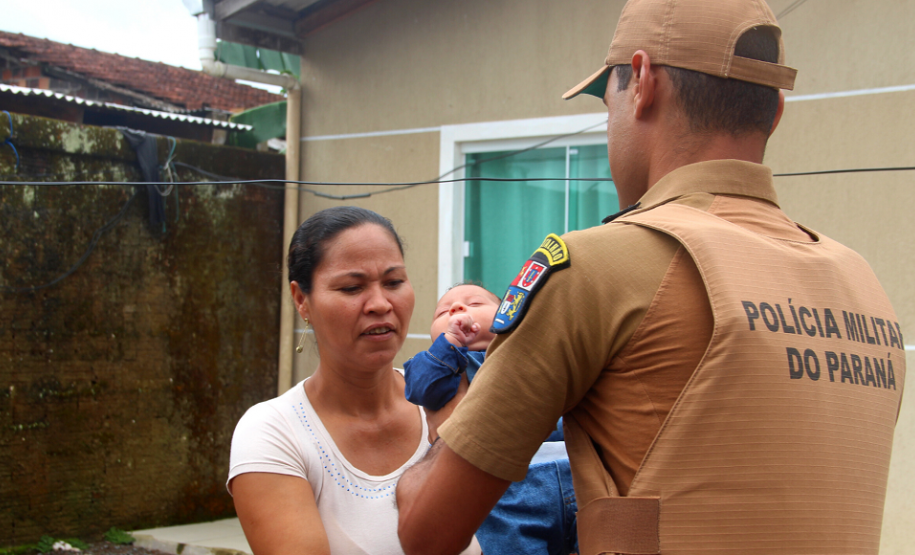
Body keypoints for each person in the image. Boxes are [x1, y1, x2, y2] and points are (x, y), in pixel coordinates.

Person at [396, 1, 906, 554]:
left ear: (641, 81)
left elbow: (428, 531)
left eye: (607, 99)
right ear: (776, 110)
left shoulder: (595, 266)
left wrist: (425, 450)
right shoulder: (863, 285)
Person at [227, 206, 481, 555]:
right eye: (351, 287)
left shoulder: (451, 393)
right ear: (302, 299)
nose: (380, 303)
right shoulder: (274, 433)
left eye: (394, 282)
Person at [403, 283, 577, 555]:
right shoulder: (445, 365)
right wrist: (449, 345)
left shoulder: (535, 352)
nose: (458, 308)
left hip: (575, 472)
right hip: (503, 487)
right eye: (442, 313)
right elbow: (420, 388)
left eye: (474, 304)